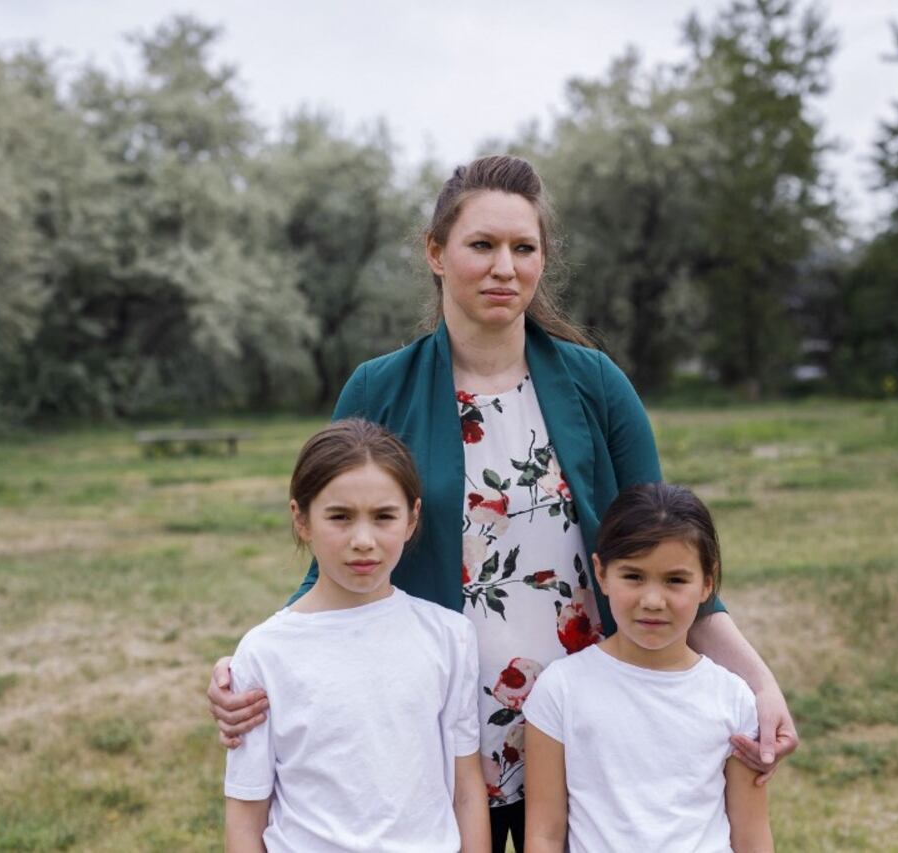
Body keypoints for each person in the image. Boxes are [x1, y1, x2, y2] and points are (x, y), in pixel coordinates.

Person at [209, 155, 797, 851]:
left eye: (524, 248)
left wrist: (758, 681)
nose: (504, 267)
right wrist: (254, 664)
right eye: (481, 245)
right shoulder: (378, 388)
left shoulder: (597, 385)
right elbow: (332, 559)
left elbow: (662, 553)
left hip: (585, 726)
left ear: (544, 259)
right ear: (436, 252)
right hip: (434, 733)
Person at [222, 419, 489, 853]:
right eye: (340, 517)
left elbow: (465, 788)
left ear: (412, 518)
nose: (363, 540)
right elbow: (246, 811)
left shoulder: (450, 636)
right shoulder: (264, 652)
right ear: (301, 519)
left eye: (383, 516)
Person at [523, 483, 773, 853]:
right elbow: (544, 834)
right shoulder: (560, 689)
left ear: (707, 583)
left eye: (675, 580)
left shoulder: (733, 697)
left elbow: (751, 836)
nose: (653, 601)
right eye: (634, 577)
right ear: (602, 574)